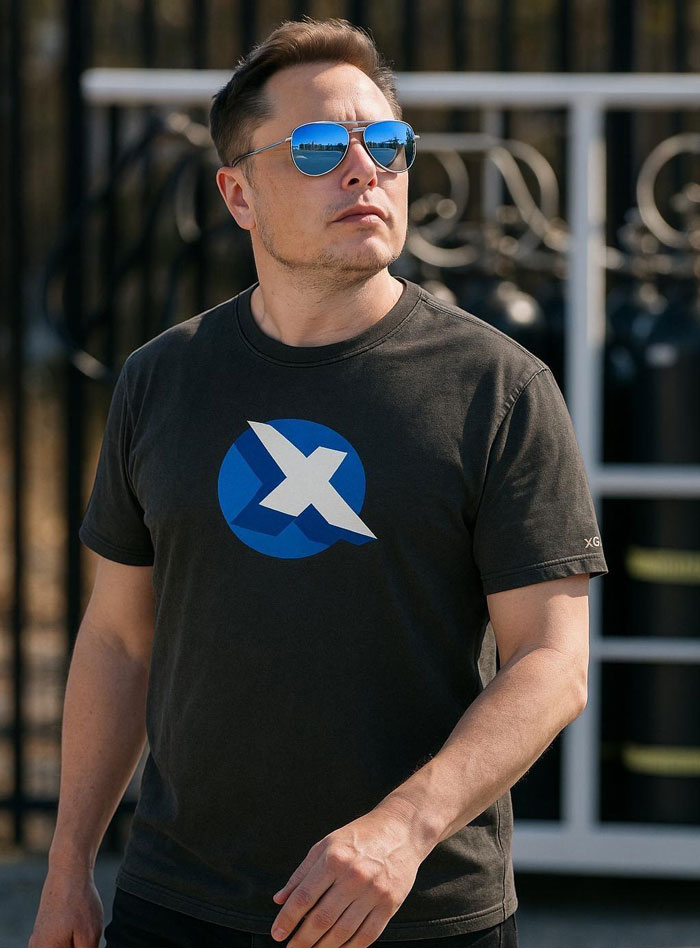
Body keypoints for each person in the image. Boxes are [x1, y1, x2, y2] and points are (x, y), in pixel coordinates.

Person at [29, 15, 608, 948]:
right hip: (176, 906)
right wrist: (66, 872)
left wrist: (401, 831)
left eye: (385, 143)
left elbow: (552, 664)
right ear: (239, 194)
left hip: (412, 912)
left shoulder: (499, 387)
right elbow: (119, 642)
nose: (363, 168)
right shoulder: (162, 378)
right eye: (315, 147)